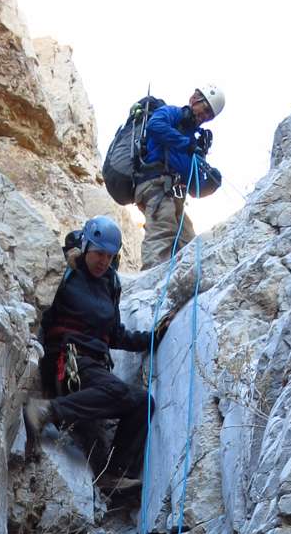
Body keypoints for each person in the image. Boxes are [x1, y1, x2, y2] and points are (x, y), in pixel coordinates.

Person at [23, 214, 153, 496]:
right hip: (67, 359)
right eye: (98, 253)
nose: (103, 261)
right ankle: (45, 410)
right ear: (85, 247)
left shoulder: (110, 284)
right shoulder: (67, 270)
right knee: (117, 391)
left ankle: (113, 475)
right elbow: (40, 295)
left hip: (94, 365)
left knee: (143, 402)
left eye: (109, 256)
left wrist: (152, 338)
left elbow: (115, 335)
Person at [133, 85, 225, 270]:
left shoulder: (193, 141)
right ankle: (151, 279)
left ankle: (182, 282)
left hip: (174, 195)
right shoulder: (173, 113)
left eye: (210, 115)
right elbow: (155, 125)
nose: (205, 116)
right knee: (162, 232)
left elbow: (194, 189)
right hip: (156, 185)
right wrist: (187, 145)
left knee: (189, 243)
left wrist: (210, 183)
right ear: (194, 99)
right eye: (205, 109)